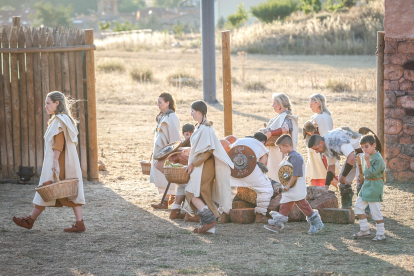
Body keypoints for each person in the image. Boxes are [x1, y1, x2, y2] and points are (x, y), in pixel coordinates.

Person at [13, 91, 85, 232]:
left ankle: (30, 220)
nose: (45, 106)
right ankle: (79, 223)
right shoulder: (65, 119)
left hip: (59, 163)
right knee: (64, 191)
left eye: (48, 103)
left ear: (56, 103)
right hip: (62, 162)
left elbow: (59, 143)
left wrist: (54, 162)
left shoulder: (59, 120)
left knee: (49, 189)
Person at [185, 100, 234, 234]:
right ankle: (210, 228)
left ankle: (210, 219)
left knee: (191, 193)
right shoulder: (200, 127)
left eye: (193, 111)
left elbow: (206, 152)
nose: (191, 114)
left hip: (203, 167)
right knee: (202, 195)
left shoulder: (206, 129)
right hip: (200, 166)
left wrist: (193, 164)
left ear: (199, 112)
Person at [264, 135, 324, 234]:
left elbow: (296, 173)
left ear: (286, 146)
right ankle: (277, 225)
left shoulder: (296, 157)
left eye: (280, 148)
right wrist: (284, 186)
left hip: (295, 188)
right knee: (284, 206)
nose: (280, 150)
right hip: (289, 188)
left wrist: (288, 185)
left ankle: (317, 223)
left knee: (303, 205)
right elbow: (285, 173)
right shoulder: (289, 156)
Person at [307, 127, 364, 209]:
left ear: (321, 143)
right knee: (343, 182)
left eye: (316, 149)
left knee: (361, 181)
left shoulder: (334, 140)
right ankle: (346, 207)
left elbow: (351, 158)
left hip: (363, 152)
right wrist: (326, 186)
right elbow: (331, 167)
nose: (316, 151)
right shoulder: (325, 146)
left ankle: (366, 211)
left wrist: (344, 176)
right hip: (354, 154)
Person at [229, 132, 273, 223]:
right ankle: (260, 216)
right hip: (250, 169)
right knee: (265, 189)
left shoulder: (239, 140)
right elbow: (264, 164)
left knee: (229, 191)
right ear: (263, 142)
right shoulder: (261, 145)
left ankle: (223, 215)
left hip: (232, 168)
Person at [150, 92, 181, 209]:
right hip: (161, 150)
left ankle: (165, 201)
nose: (158, 104)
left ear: (167, 103)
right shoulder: (164, 116)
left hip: (167, 151)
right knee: (161, 175)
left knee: (166, 175)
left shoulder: (171, 117)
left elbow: (174, 137)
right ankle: (167, 199)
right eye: (157, 102)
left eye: (160, 102)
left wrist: (171, 152)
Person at [353, 134, 386, 241]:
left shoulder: (378, 159)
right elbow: (365, 171)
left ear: (373, 145)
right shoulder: (364, 156)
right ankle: (364, 229)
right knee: (358, 207)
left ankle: (381, 233)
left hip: (375, 186)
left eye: (366, 146)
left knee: (375, 211)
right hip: (366, 185)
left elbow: (372, 173)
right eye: (362, 147)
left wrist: (367, 160)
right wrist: (360, 176)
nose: (364, 149)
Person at [261, 93, 299, 182]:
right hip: (273, 150)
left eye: (274, 103)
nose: (272, 106)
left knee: (280, 173)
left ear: (280, 104)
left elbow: (285, 129)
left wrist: (270, 133)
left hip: (282, 151)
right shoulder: (277, 117)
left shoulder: (287, 116)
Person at [304, 94, 338, 187]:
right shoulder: (317, 116)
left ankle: (344, 190)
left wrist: (312, 133)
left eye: (311, 104)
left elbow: (325, 135)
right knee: (316, 174)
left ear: (318, 103)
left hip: (321, 150)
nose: (310, 106)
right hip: (315, 150)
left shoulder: (323, 117)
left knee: (327, 173)